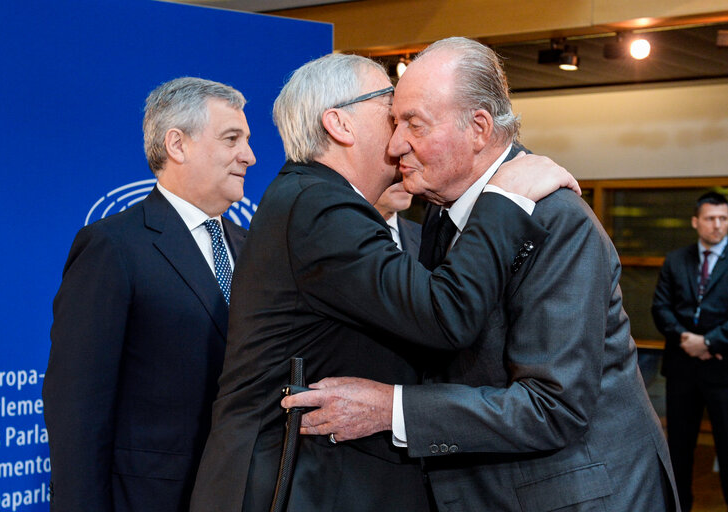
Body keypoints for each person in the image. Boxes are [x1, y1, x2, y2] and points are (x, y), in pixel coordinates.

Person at [284, 38, 679, 511]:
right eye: (394, 123)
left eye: (413, 124)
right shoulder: (438, 212)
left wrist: (391, 409)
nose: (394, 145)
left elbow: (552, 408)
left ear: (478, 128)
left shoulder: (556, 220)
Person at [189, 53, 576, 512]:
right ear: (339, 125)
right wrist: (506, 198)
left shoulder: (315, 200)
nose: (400, 138)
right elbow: (444, 314)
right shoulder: (319, 206)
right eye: (391, 114)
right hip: (290, 485)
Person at [42, 77, 255, 512]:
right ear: (177, 145)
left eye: (247, 141)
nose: (249, 156)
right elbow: (77, 409)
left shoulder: (251, 246)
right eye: (232, 139)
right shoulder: (113, 246)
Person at [653, 191, 728, 511]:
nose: (718, 225)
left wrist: (709, 342)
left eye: (724, 219)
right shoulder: (676, 259)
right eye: (711, 218)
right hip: (682, 367)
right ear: (696, 222)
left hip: (723, 368)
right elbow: (660, 308)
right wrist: (685, 337)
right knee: (679, 449)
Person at [374, 181, 421, 256]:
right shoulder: (350, 232)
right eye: (396, 172)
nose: (404, 181)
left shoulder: (424, 236)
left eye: (410, 172)